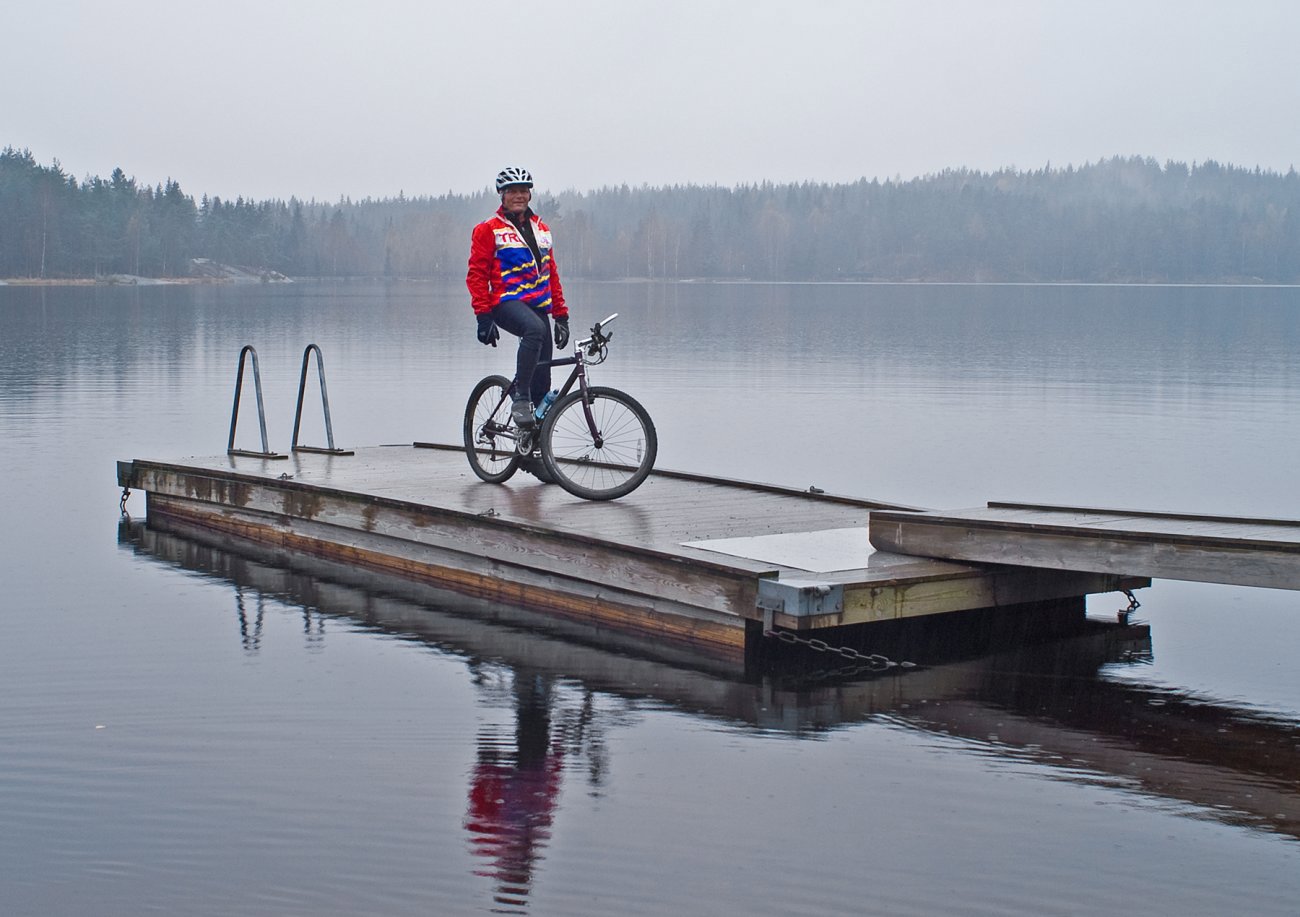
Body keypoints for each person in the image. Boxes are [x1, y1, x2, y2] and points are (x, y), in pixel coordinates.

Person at [466, 167, 569, 432]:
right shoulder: (488, 229)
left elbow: (551, 275)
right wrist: (483, 316)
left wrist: (561, 316)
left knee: (543, 380)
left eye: (523, 191)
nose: (519, 196)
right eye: (512, 191)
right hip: (505, 301)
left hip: (537, 305)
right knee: (533, 330)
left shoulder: (542, 229)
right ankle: (520, 397)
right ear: (502, 195)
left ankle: (532, 445)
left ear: (530, 194)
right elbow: (476, 275)